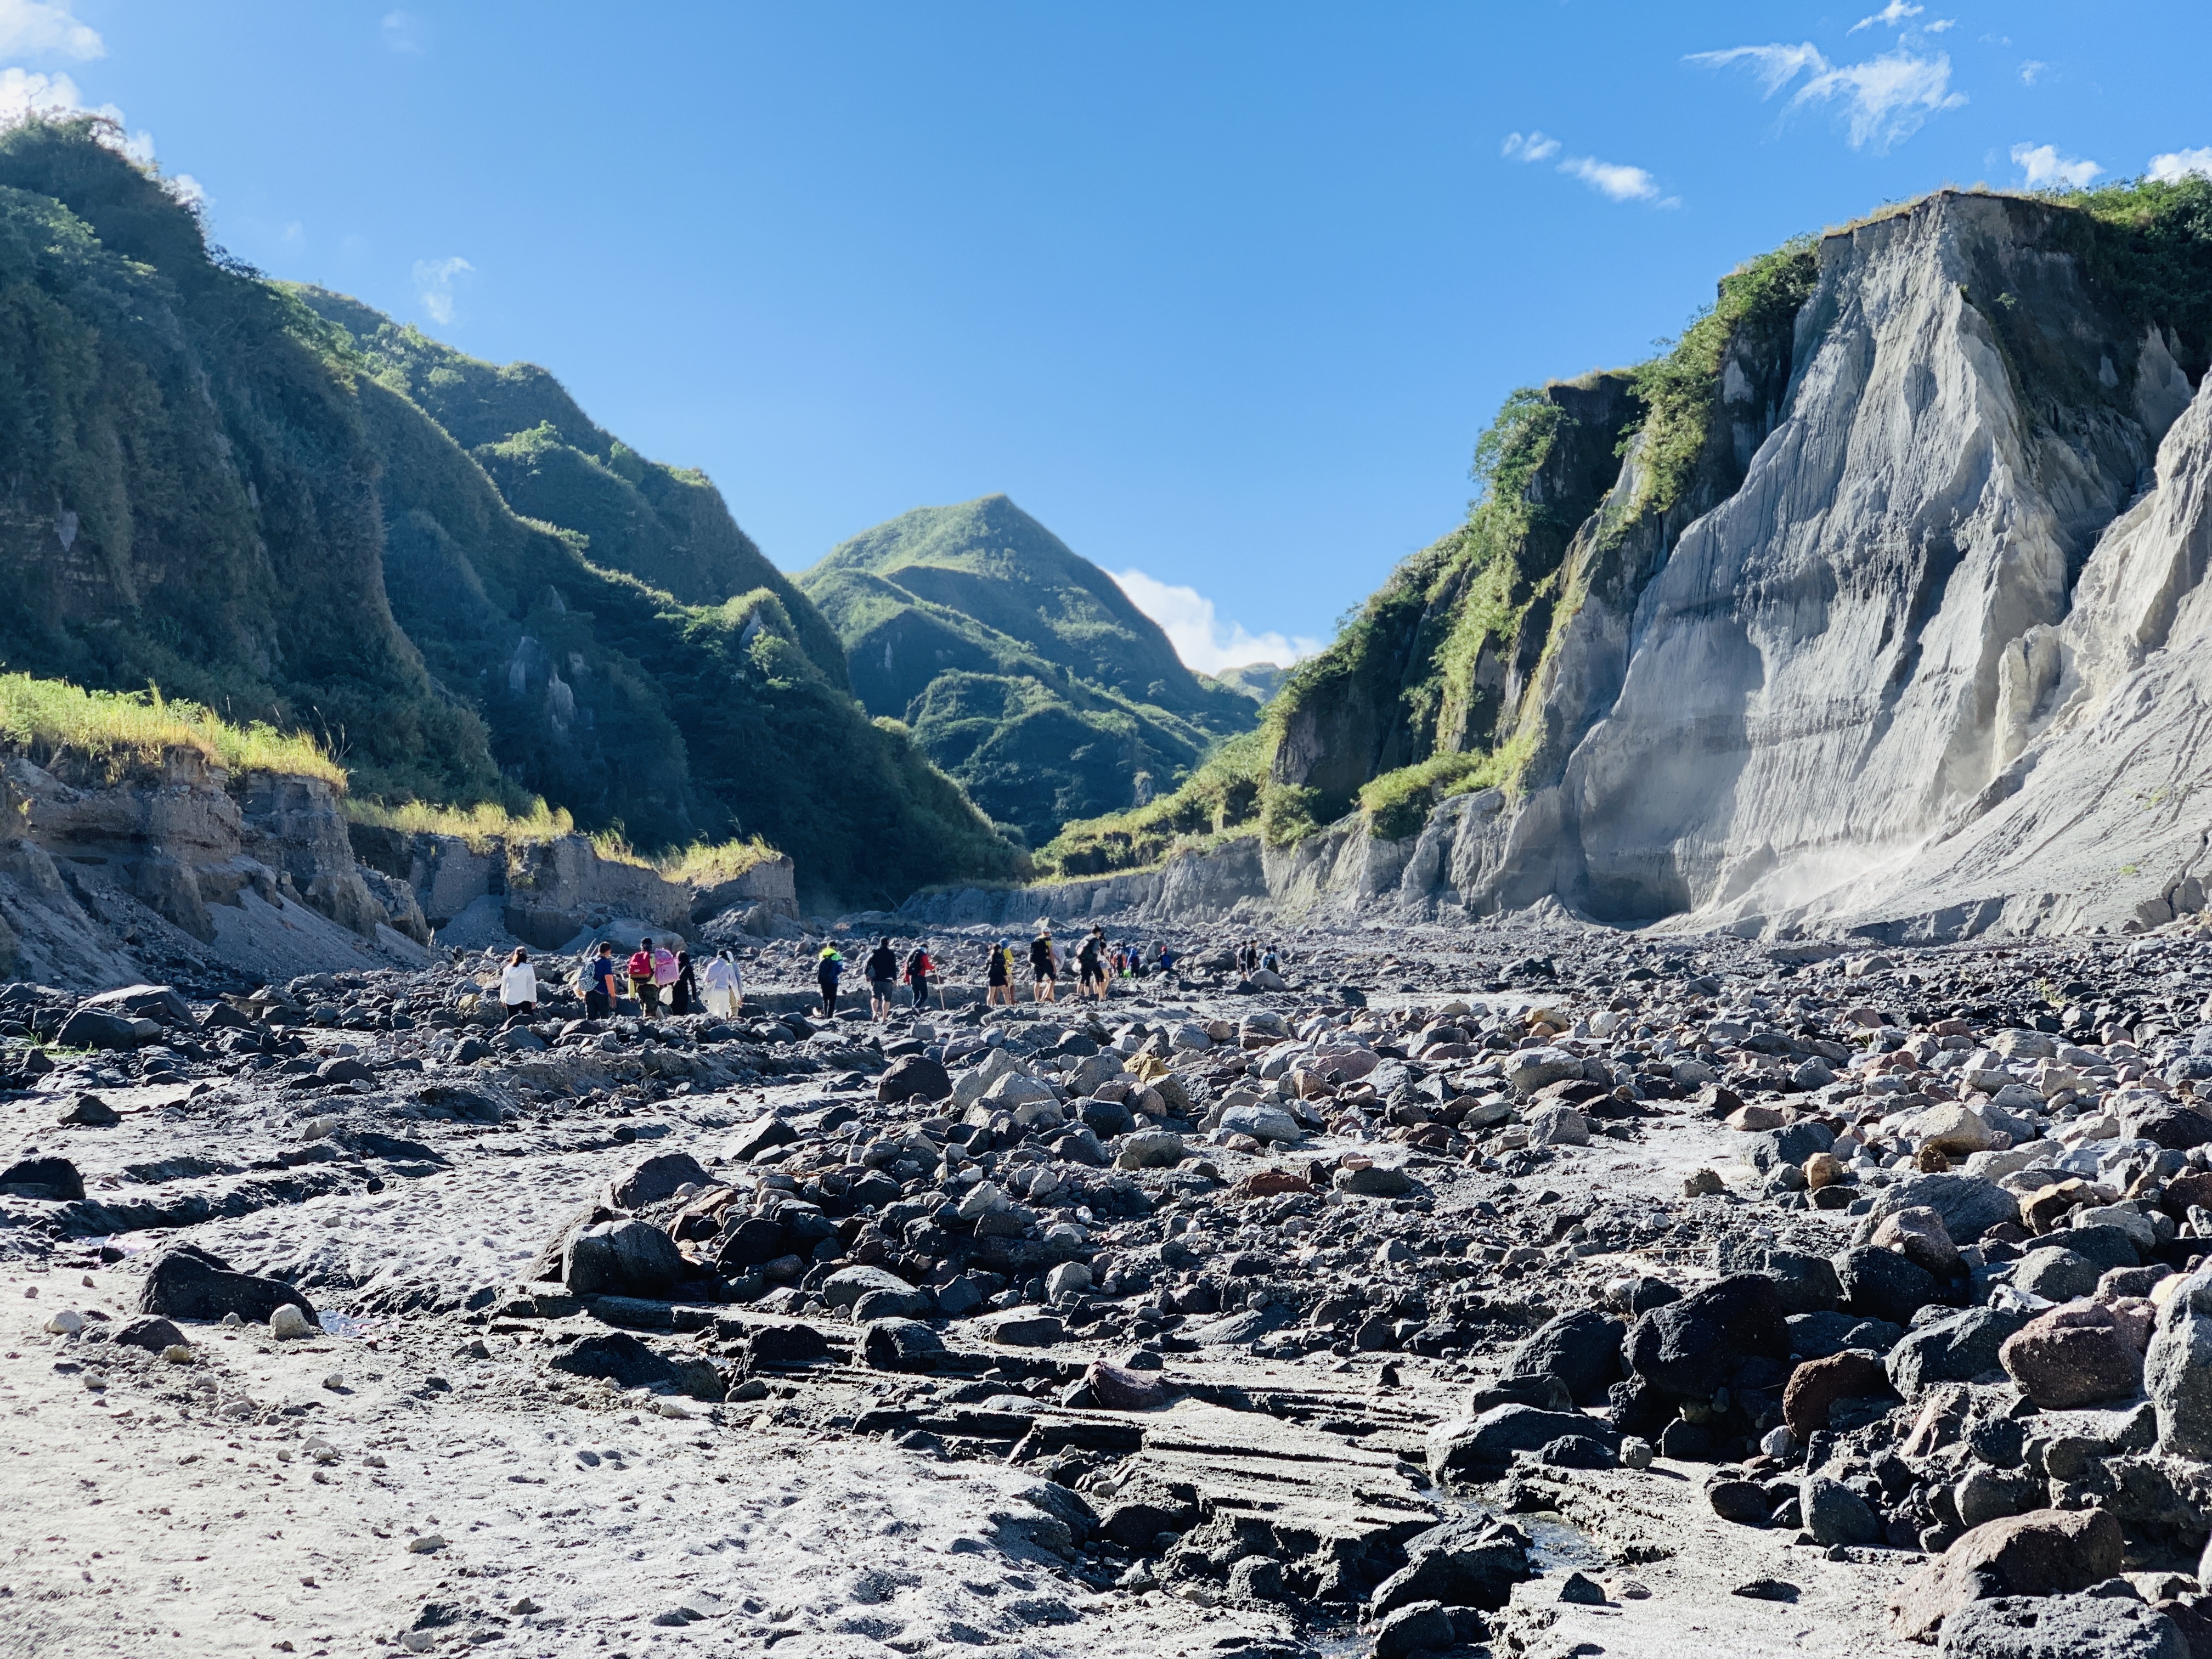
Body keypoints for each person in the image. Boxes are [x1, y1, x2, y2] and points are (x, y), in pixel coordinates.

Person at [702, 949, 743, 1018]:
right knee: (723, 1013)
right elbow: (734, 984)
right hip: (724, 992)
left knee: (712, 1013)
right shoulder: (728, 966)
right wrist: (738, 998)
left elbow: (706, 980)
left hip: (713, 992)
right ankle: (723, 1025)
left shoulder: (711, 965)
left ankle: (712, 1026)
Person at [866, 937, 900, 1020]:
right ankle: (884, 1018)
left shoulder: (875, 951)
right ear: (888, 943)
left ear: (880, 942)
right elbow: (893, 967)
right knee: (887, 999)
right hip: (888, 979)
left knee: (875, 997)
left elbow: (868, 962)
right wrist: (895, 979)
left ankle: (875, 1014)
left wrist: (867, 974)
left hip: (876, 978)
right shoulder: (891, 953)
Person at [499, 946, 538, 1019]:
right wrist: (534, 1000)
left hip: (510, 999)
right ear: (526, 956)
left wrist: (503, 999)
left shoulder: (507, 969)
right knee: (529, 1021)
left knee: (511, 1023)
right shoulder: (528, 968)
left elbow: (504, 984)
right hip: (526, 998)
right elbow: (531, 985)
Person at [586, 940, 619, 1018]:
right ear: (608, 951)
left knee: (590, 1018)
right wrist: (613, 996)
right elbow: (609, 979)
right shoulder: (606, 962)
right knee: (605, 1018)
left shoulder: (590, 960)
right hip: (601, 994)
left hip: (589, 993)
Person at [628, 939, 658, 1014]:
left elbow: (631, 977)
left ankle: (646, 1022)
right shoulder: (654, 957)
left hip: (640, 986)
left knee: (644, 1004)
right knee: (651, 1007)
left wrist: (632, 995)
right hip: (652, 985)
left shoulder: (635, 958)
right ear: (651, 946)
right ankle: (649, 1022)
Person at [1077, 927, 1107, 1002]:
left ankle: (1078, 996)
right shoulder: (1096, 940)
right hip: (1092, 961)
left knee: (1083, 979)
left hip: (1083, 961)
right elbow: (1094, 951)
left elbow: (1078, 947)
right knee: (1100, 978)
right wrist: (1098, 950)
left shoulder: (1087, 938)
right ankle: (1102, 997)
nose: (1100, 935)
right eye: (1100, 933)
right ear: (1097, 933)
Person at [815, 944, 844, 1019]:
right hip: (833, 981)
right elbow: (840, 970)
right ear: (835, 947)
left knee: (825, 999)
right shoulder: (837, 956)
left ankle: (825, 1015)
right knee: (832, 999)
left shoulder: (822, 954)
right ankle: (830, 1017)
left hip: (823, 980)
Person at [903, 942, 934, 1011]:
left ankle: (914, 1010)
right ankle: (916, 1007)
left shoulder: (912, 954)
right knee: (924, 995)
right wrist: (933, 967)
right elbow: (927, 966)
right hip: (920, 977)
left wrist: (907, 979)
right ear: (926, 948)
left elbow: (907, 967)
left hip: (912, 978)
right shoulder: (923, 955)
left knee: (916, 995)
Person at [1029, 930, 1058, 1004]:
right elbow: (1051, 953)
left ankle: (1037, 1000)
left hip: (1037, 962)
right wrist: (1054, 966)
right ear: (1048, 933)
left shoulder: (1036, 939)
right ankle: (1048, 996)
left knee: (1037, 981)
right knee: (1053, 979)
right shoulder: (1048, 940)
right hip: (1046, 961)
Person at [670, 949, 697, 1016]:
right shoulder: (688, 967)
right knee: (683, 1011)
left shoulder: (674, 966)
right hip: (684, 991)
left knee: (675, 1010)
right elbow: (692, 983)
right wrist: (694, 996)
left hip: (674, 990)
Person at [985, 940, 1012, 1006]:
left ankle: (988, 1006)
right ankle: (1008, 1005)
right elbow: (1002, 967)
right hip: (1000, 977)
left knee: (991, 994)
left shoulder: (990, 958)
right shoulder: (1001, 957)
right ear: (999, 949)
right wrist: (1006, 976)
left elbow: (986, 968)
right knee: (1006, 992)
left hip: (992, 977)